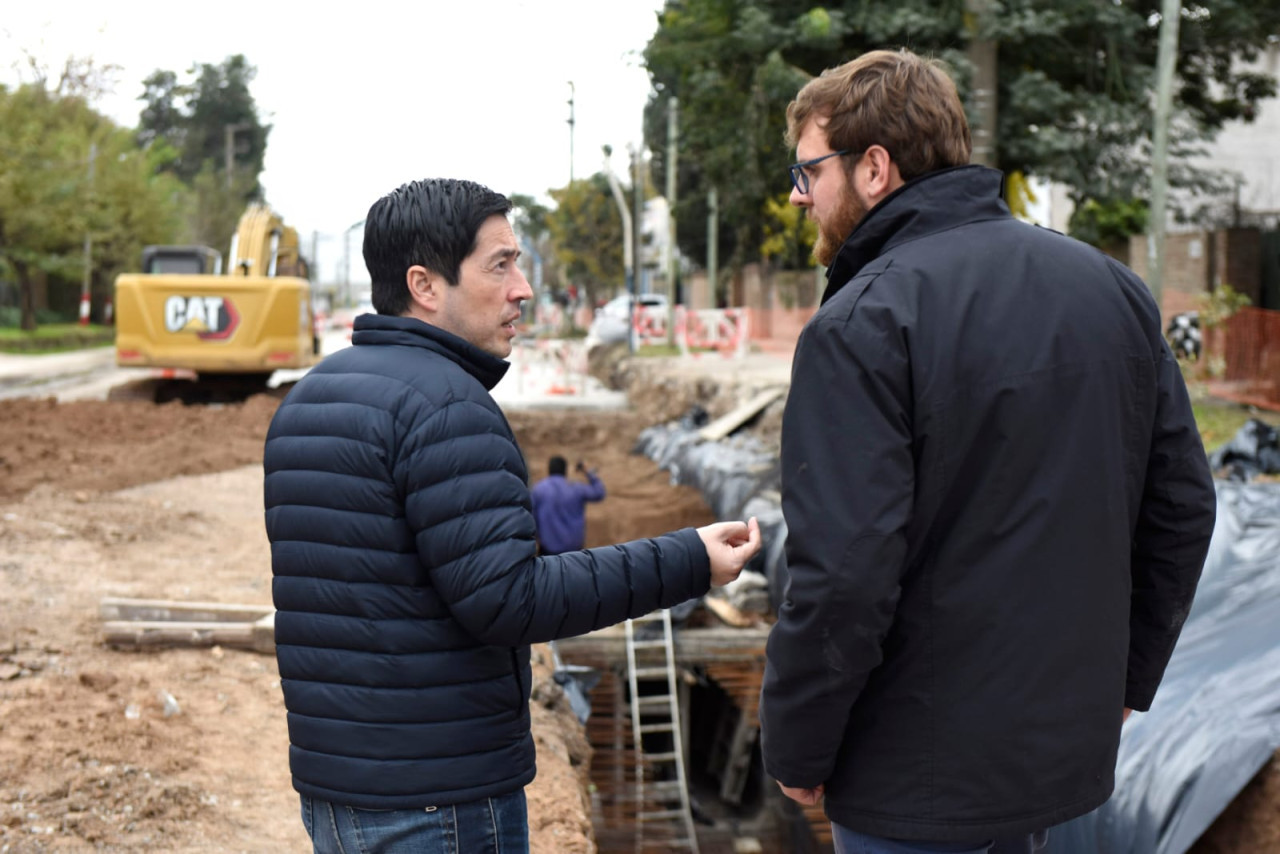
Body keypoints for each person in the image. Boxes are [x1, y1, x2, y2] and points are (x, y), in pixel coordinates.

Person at [759, 49, 1217, 854]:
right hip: (1061, 765)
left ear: (873, 168)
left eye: (808, 173)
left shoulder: (864, 321)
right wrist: (1124, 680)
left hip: (916, 780)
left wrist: (797, 747)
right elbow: (1181, 505)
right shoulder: (1108, 288)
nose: (799, 197)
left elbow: (842, 578)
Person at [263, 177, 761, 854]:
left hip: (340, 789)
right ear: (425, 285)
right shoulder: (449, 409)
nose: (523, 288)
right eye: (500, 264)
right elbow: (510, 601)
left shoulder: (309, 401)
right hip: (441, 799)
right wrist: (690, 559)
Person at [530, 455, 606, 554]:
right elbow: (599, 492)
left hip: (548, 551)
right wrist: (587, 471)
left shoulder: (538, 489)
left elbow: (531, 517)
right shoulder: (576, 488)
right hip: (574, 552)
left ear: (549, 469)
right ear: (565, 470)